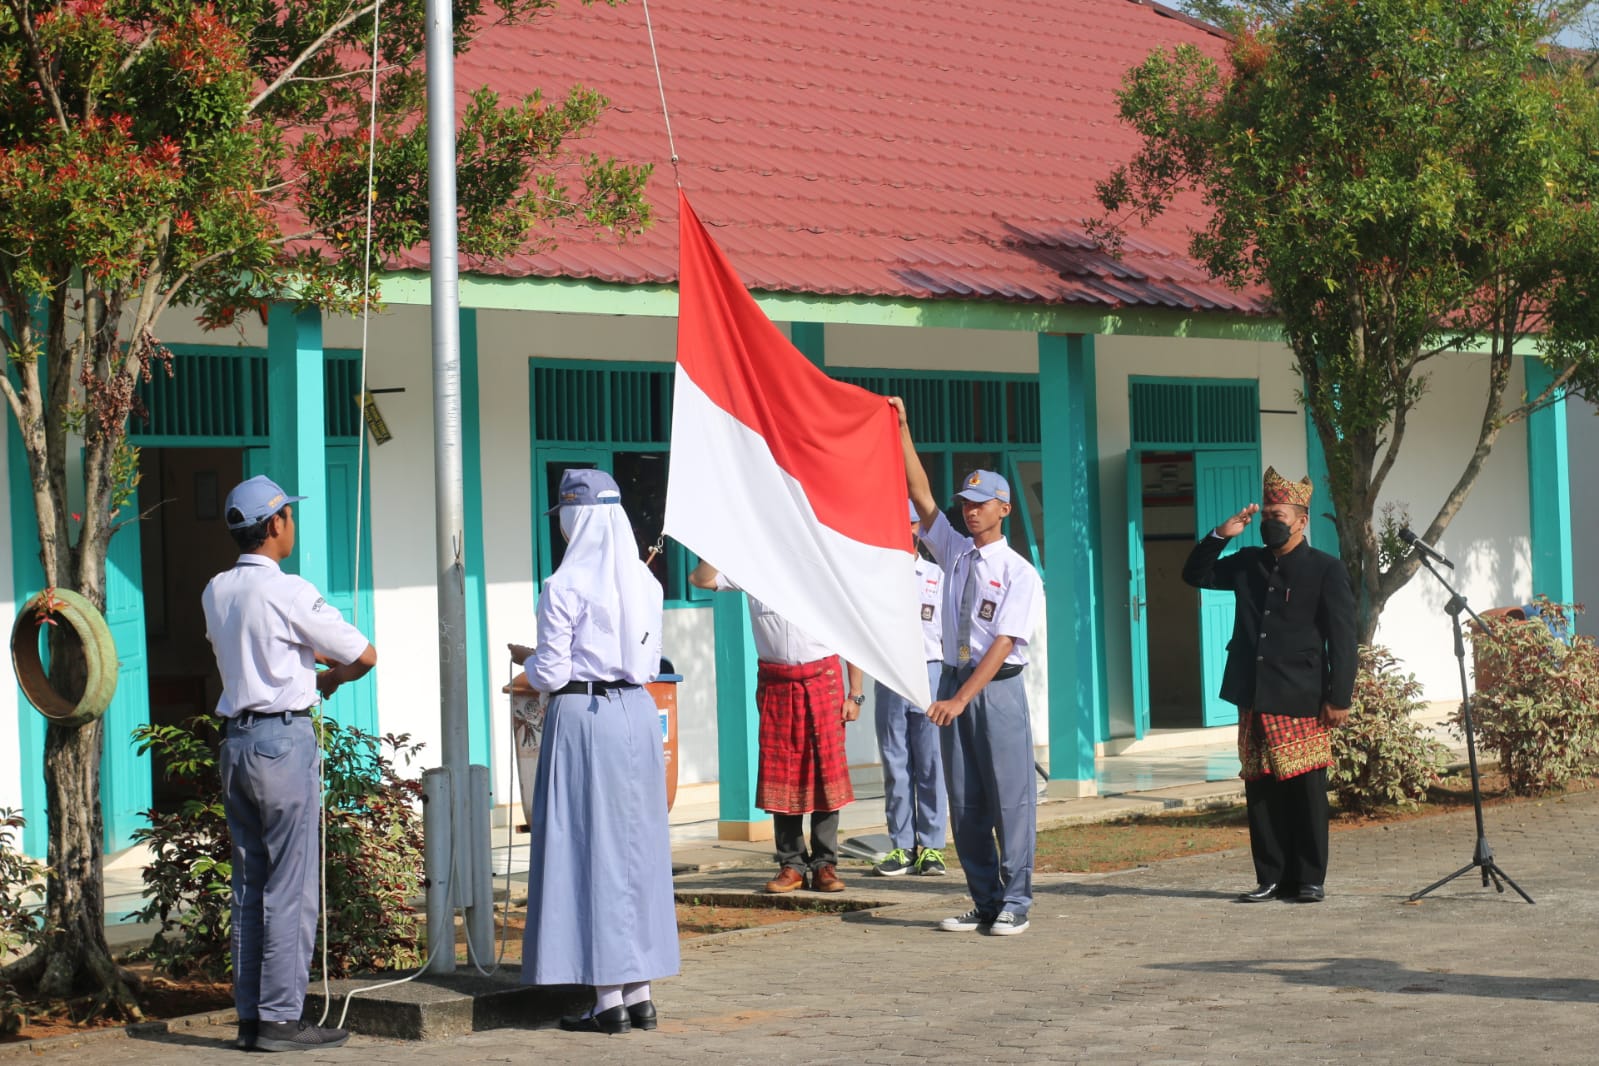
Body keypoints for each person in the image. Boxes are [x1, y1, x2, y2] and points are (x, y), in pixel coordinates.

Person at [202, 475, 377, 1053]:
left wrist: (303, 657)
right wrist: (326, 674)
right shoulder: (291, 590)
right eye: (289, 517)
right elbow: (364, 654)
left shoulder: (216, 590)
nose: (291, 526)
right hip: (282, 740)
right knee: (290, 888)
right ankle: (281, 1020)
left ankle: (251, 1018)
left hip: (236, 743)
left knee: (250, 885)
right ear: (274, 523)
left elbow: (254, 648)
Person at [509, 468, 678, 1035]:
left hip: (584, 718)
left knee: (591, 849)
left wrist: (526, 665)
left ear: (575, 518)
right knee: (638, 850)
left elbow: (553, 671)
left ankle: (607, 999)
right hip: (636, 712)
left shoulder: (563, 586)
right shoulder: (646, 583)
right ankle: (641, 992)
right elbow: (643, 658)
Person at [892, 397, 1043, 936]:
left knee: (1010, 797)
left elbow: (1004, 642)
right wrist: (904, 430)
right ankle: (984, 899)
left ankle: (1016, 902)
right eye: (966, 503)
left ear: (1004, 508)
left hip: (994, 690)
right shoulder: (953, 550)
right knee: (966, 800)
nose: (969, 510)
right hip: (955, 681)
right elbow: (920, 495)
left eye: (980, 503)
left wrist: (960, 697)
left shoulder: (1018, 572)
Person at [1182, 466, 1356, 904]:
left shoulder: (1326, 569)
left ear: (1301, 520)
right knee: (1260, 790)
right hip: (1253, 694)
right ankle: (1271, 877)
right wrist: (1222, 535)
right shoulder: (1248, 563)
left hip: (1301, 696)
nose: (1270, 522)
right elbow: (1195, 575)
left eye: (1279, 515)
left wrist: (1340, 697)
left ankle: (1310, 878)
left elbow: (1343, 638)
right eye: (1266, 515)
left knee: (1306, 791)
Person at [688, 561, 862, 894]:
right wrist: (723, 540)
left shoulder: (823, 571)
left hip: (821, 681)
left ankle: (825, 864)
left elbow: (851, 637)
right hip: (777, 683)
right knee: (782, 775)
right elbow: (699, 579)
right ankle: (792, 864)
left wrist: (856, 693)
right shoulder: (754, 568)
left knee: (825, 774)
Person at [872, 499, 949, 877]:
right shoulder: (875, 578)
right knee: (895, 763)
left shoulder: (938, 576)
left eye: (911, 524)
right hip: (890, 675)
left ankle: (932, 846)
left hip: (931, 672)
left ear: (919, 528)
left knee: (931, 763)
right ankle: (901, 845)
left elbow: (950, 631)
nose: (905, 530)